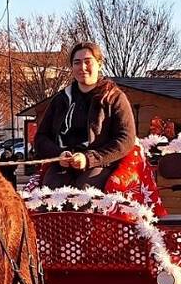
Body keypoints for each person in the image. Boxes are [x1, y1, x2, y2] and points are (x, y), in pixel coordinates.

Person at [34, 41, 136, 189]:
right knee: (50, 193)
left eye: (88, 62)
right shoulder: (61, 99)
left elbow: (126, 139)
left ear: (99, 64)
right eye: (77, 63)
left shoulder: (114, 98)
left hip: (100, 164)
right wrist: (58, 155)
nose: (82, 68)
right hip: (63, 165)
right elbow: (41, 138)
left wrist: (89, 159)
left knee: (84, 192)